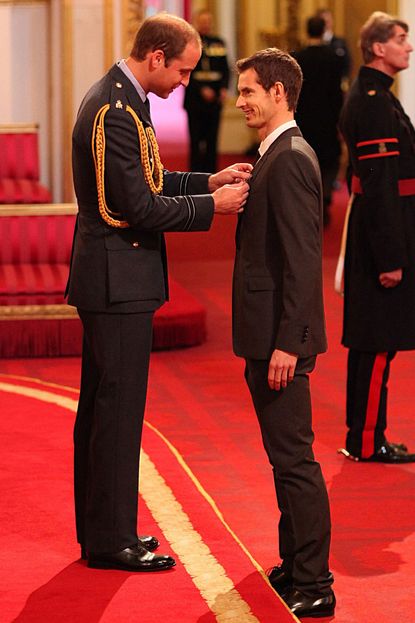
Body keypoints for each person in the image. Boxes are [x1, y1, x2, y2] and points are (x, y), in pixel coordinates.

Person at [65, 13, 251, 572]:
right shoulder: (113, 108)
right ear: (155, 57)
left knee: (108, 411)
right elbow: (134, 206)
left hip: (118, 277)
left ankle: (108, 530)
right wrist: (210, 209)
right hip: (115, 278)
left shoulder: (126, 97)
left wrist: (205, 181)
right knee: (115, 414)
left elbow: (147, 181)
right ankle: (109, 540)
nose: (185, 83)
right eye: (183, 70)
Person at [234, 48, 335, 618]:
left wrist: (288, 344)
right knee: (283, 457)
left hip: (280, 341)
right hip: (267, 333)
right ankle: (294, 562)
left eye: (249, 91)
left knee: (295, 460)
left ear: (279, 94)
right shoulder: (275, 153)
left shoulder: (291, 157)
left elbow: (302, 260)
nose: (240, 100)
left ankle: (315, 580)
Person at [338, 11, 415, 464]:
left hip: (381, 226)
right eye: (401, 39)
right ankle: (367, 440)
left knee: (377, 344)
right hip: (381, 235)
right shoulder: (372, 101)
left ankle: (369, 436)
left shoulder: (378, 97)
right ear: (379, 49)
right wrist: (391, 255)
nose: (408, 47)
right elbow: (381, 183)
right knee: (376, 344)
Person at [294, 16, 343, 225]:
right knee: (327, 161)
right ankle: (325, 199)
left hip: (304, 118)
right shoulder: (333, 58)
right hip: (327, 118)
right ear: (324, 31)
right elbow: (337, 93)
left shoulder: (297, 57)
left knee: (305, 160)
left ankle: (307, 204)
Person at [184, 9, 229, 172]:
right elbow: (185, 70)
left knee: (212, 140)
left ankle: (211, 174)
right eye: (202, 21)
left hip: (215, 100)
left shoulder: (219, 43)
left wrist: (224, 88)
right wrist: (202, 88)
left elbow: (225, 69)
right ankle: (194, 174)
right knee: (196, 141)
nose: (205, 25)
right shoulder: (188, 43)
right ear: (196, 22)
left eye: (208, 21)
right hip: (195, 99)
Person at [317, 7, 352, 84]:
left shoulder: (340, 43)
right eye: (324, 22)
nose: (326, 24)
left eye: (328, 21)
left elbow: (347, 64)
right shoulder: (314, 45)